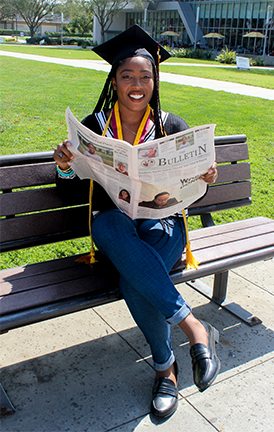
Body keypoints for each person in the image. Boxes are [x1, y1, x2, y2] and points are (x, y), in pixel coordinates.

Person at [53, 24, 219, 419]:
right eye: (127, 75)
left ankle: (166, 369)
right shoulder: (94, 128)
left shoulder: (170, 126)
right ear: (114, 80)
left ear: (155, 80)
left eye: (145, 76)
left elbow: (193, 193)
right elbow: (73, 194)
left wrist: (204, 178)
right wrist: (64, 168)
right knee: (108, 225)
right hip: (118, 231)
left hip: (163, 227)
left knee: (134, 277)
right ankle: (194, 329)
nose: (136, 84)